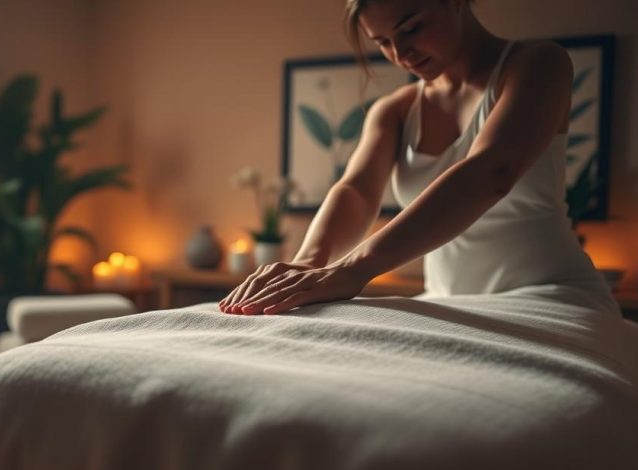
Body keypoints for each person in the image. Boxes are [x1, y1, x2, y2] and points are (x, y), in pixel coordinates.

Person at [220, 0, 613, 315]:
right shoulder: (394, 111)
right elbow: (356, 191)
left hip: (550, 296)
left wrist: (353, 270)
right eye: (382, 42)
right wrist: (309, 262)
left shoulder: (539, 64)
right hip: (446, 304)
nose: (400, 53)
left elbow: (492, 172)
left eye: (411, 28)